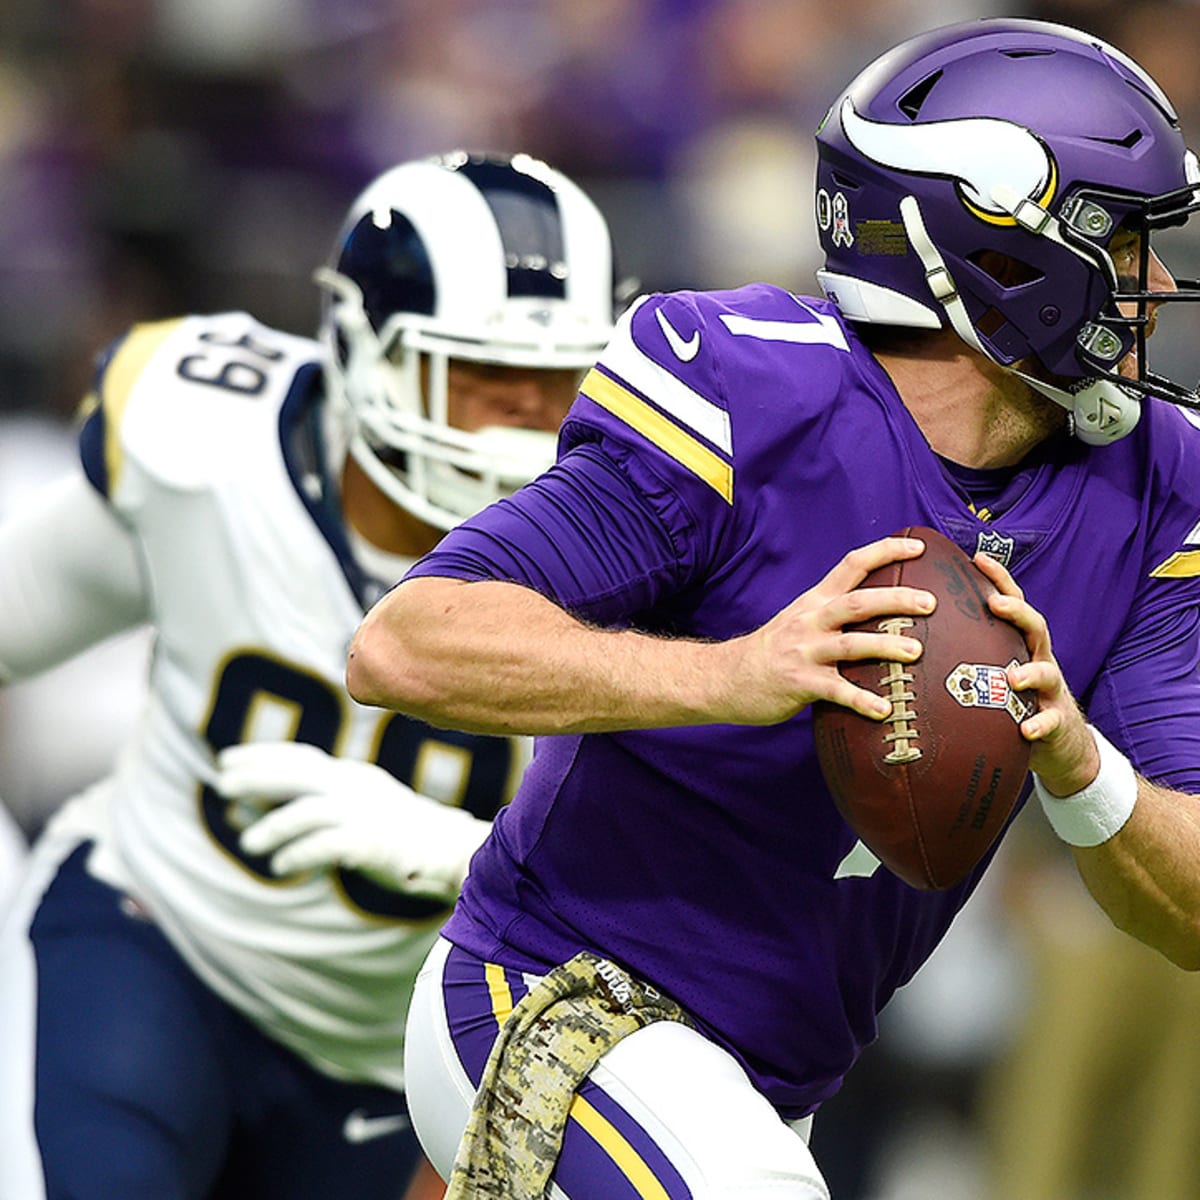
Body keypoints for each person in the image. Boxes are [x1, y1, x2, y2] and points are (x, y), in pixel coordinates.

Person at [345, 20, 1200, 1200]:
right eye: (1118, 238)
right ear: (996, 248)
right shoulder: (753, 391)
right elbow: (407, 643)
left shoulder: (1150, 481)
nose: (1153, 282)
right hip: (549, 999)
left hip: (766, 1094)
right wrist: (734, 674)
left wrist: (1080, 767)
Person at [0, 150, 619, 1200]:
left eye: (555, 381)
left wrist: (471, 853)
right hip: (160, 945)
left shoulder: (637, 558)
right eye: (476, 376)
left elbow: (659, 905)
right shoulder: (208, 448)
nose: (523, 421)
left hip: (398, 1051)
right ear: (361, 349)